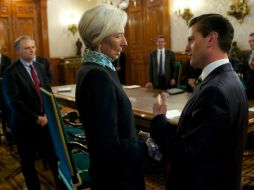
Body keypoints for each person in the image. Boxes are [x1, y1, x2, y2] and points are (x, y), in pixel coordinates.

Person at [150, 14, 248, 190]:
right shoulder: (231, 78)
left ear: (211, 39)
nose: (186, 48)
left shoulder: (214, 90)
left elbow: (186, 154)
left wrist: (159, 120)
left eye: (191, 40)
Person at [75, 4, 148, 190]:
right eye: (118, 35)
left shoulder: (100, 68)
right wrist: (148, 147)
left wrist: (139, 135)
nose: (125, 42)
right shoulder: (97, 76)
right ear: (95, 38)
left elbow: (111, 126)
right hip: (117, 180)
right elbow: (108, 147)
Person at [3, 35, 61, 190]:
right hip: (25, 125)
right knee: (28, 164)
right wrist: (36, 118)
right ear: (18, 51)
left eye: (33, 47)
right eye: (27, 48)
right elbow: (14, 102)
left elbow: (47, 91)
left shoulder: (40, 67)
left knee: (55, 159)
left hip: (46, 122)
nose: (31, 50)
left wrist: (49, 113)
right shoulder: (11, 72)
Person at [243, 33, 254, 99]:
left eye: (253, 40)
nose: (251, 43)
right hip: (249, 89)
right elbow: (245, 71)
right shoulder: (247, 54)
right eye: (250, 41)